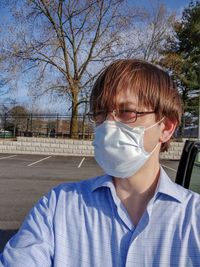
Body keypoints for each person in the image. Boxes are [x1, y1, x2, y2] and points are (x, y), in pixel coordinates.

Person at [0, 59, 200, 267]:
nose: (108, 125)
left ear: (166, 128)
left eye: (126, 112)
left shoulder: (194, 219)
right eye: (100, 113)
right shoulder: (57, 206)